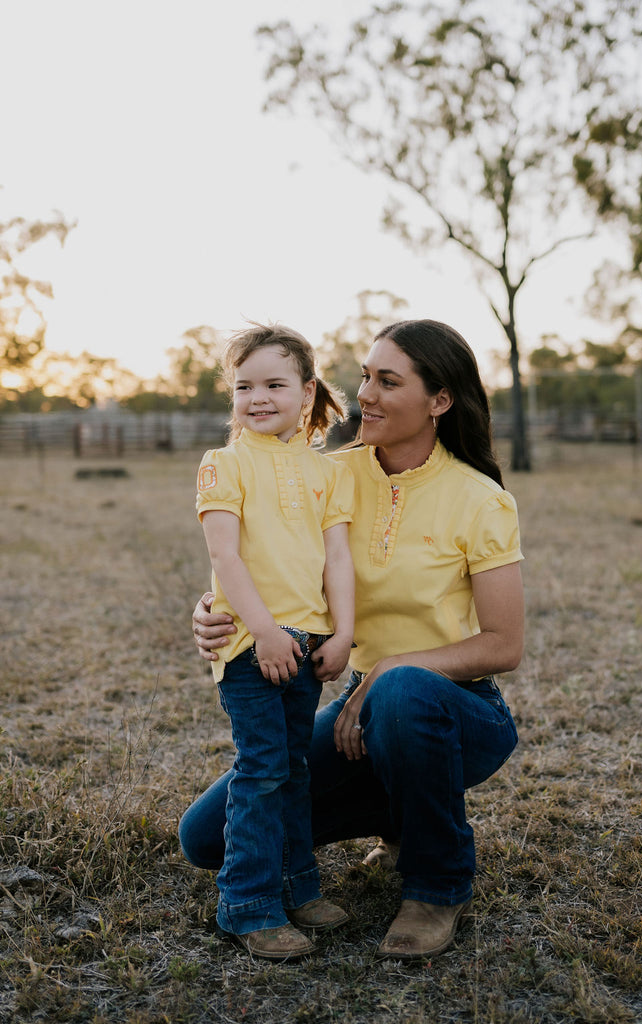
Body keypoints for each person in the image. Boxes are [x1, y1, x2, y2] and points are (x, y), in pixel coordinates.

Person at [183, 319, 524, 961]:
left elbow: (504, 645)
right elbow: (257, 550)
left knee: (402, 692)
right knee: (205, 838)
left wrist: (388, 670)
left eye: (388, 381)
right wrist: (210, 608)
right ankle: (391, 812)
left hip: (450, 709)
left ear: (440, 401)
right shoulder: (329, 475)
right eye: (365, 376)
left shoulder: (481, 501)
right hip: (356, 713)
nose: (364, 393)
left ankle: (436, 884)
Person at [195, 322, 356, 960]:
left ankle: (297, 886)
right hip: (249, 645)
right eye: (243, 386)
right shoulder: (224, 464)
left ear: (307, 390)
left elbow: (337, 559)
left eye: (273, 383)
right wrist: (262, 631)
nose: (258, 397)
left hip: (309, 642)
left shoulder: (327, 472)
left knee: (296, 768)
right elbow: (224, 555)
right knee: (262, 770)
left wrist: (343, 632)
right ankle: (248, 904)